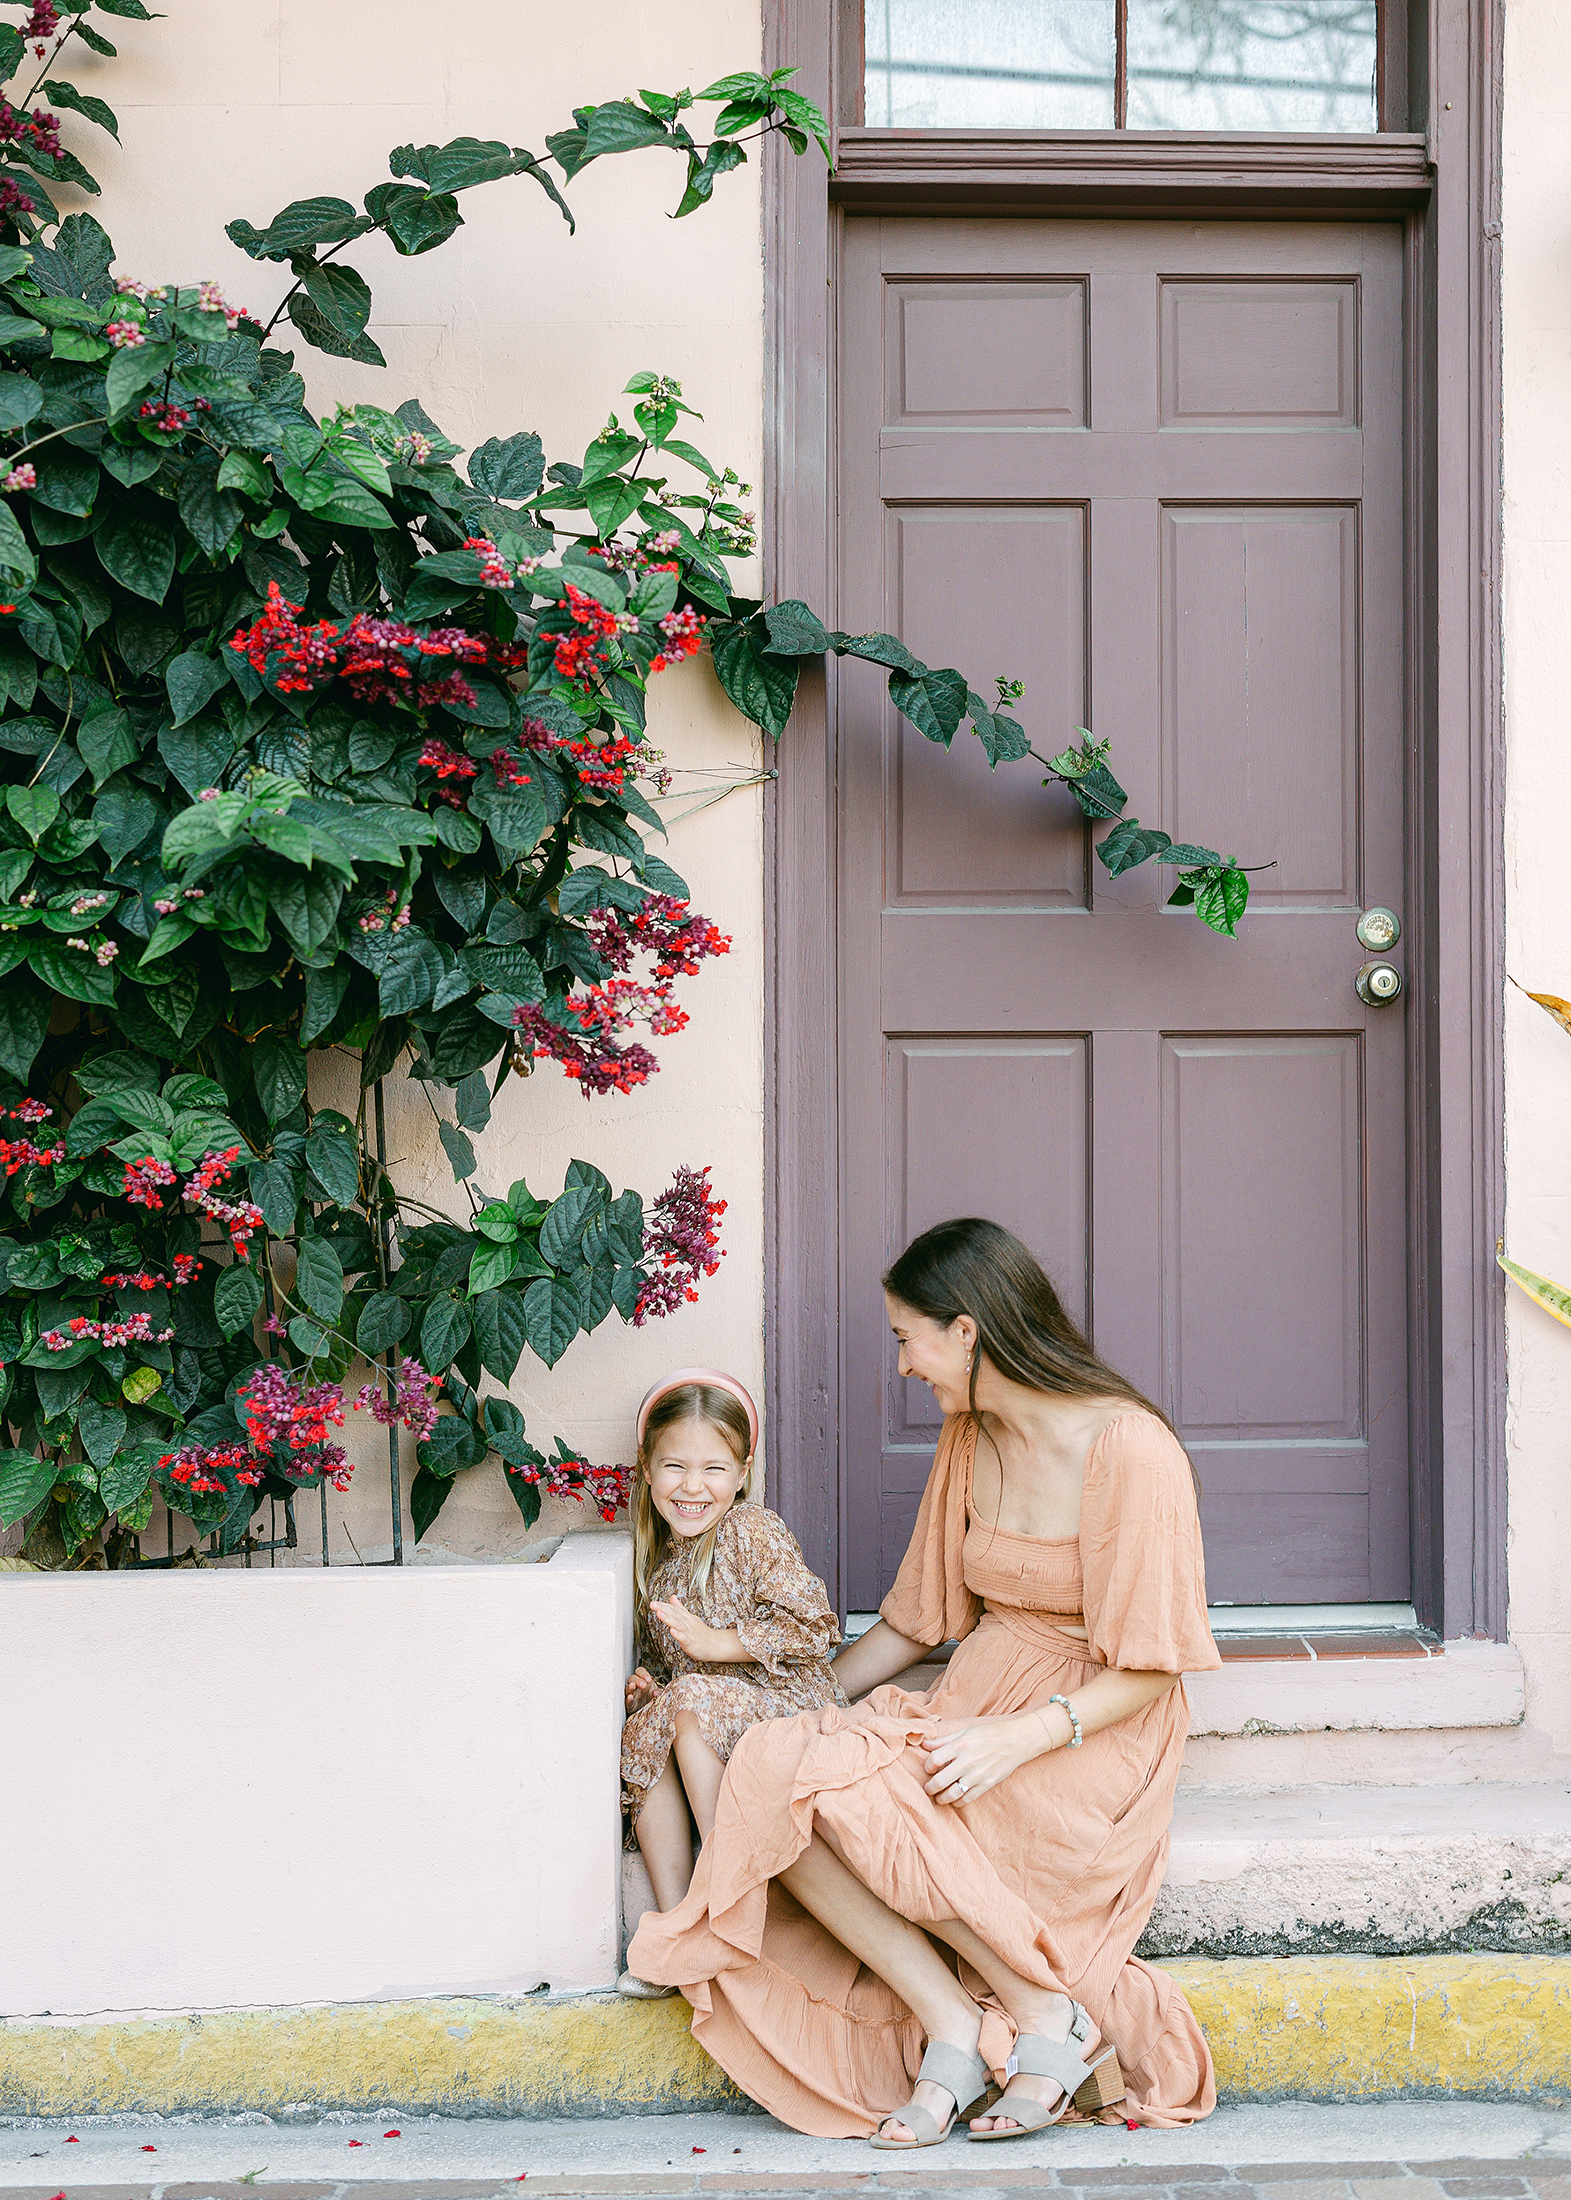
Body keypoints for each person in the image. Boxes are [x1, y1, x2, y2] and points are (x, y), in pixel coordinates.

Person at [627, 1219, 1222, 2143]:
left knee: (851, 1789)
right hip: (975, 1694)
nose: (904, 1364)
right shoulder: (969, 1435)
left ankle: (1040, 2014)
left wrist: (1016, 1737)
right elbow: (913, 1622)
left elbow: (1153, 1665)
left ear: (967, 1330)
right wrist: (805, 1707)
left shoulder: (1128, 1450)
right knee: (787, 1768)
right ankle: (962, 2016)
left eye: (908, 1337)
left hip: (1087, 1726)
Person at [617, 1367, 846, 1998]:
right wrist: (651, 1685)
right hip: (711, 1714)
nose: (693, 1487)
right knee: (657, 1716)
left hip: (787, 1706)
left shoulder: (750, 1530)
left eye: (714, 1469)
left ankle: (727, 1909)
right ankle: (677, 1921)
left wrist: (718, 1644)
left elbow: (815, 1627)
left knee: (685, 1703)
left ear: (742, 1474)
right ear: (647, 1467)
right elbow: (678, 1669)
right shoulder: (656, 1560)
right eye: (675, 1467)